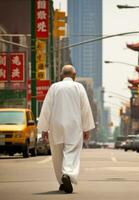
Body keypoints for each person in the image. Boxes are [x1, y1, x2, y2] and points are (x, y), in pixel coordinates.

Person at [37, 64, 95, 193]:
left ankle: (62, 182)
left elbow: (46, 108)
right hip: (74, 126)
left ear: (62, 75)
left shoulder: (54, 87)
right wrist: (86, 128)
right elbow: (85, 108)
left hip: (55, 125)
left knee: (57, 155)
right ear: (74, 76)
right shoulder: (79, 87)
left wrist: (44, 128)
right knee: (72, 152)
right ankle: (67, 174)